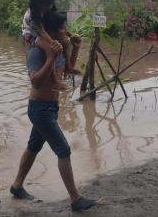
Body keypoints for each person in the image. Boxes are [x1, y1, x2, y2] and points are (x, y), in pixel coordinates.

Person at [10, 11, 96, 212]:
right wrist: (50, 56)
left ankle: (16, 186)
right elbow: (36, 81)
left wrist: (75, 47)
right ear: (48, 32)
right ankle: (75, 199)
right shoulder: (36, 52)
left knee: (33, 147)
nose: (65, 32)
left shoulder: (58, 49)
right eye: (61, 29)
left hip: (51, 107)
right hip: (39, 109)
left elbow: (68, 69)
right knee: (63, 150)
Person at [22, 0, 82, 85]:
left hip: (44, 31)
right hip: (31, 35)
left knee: (64, 44)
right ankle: (55, 80)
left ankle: (69, 69)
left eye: (51, 3)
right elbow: (41, 32)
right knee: (51, 48)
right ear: (39, 2)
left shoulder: (48, 7)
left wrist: (70, 35)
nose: (49, 6)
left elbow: (60, 25)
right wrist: (52, 42)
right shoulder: (32, 14)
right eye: (47, 4)